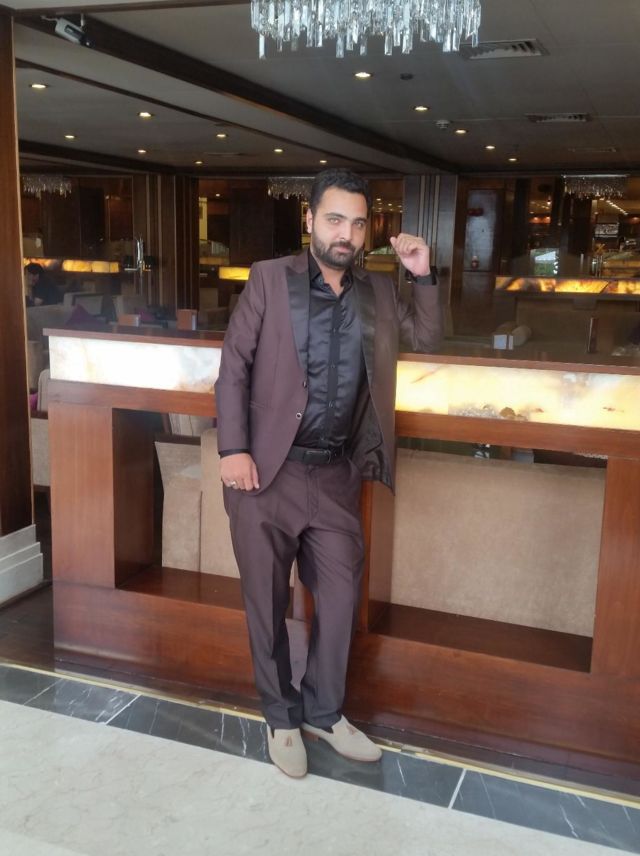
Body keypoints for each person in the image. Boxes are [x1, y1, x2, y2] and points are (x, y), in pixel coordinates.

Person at [215, 169, 442, 778]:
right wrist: (233, 449)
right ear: (311, 219)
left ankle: (323, 711)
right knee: (266, 602)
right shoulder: (269, 278)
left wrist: (421, 274)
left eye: (358, 224)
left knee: (339, 601)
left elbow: (427, 337)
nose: (347, 234)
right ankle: (280, 717)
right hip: (267, 472)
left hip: (337, 474)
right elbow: (234, 366)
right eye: (336, 219)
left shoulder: (377, 291)